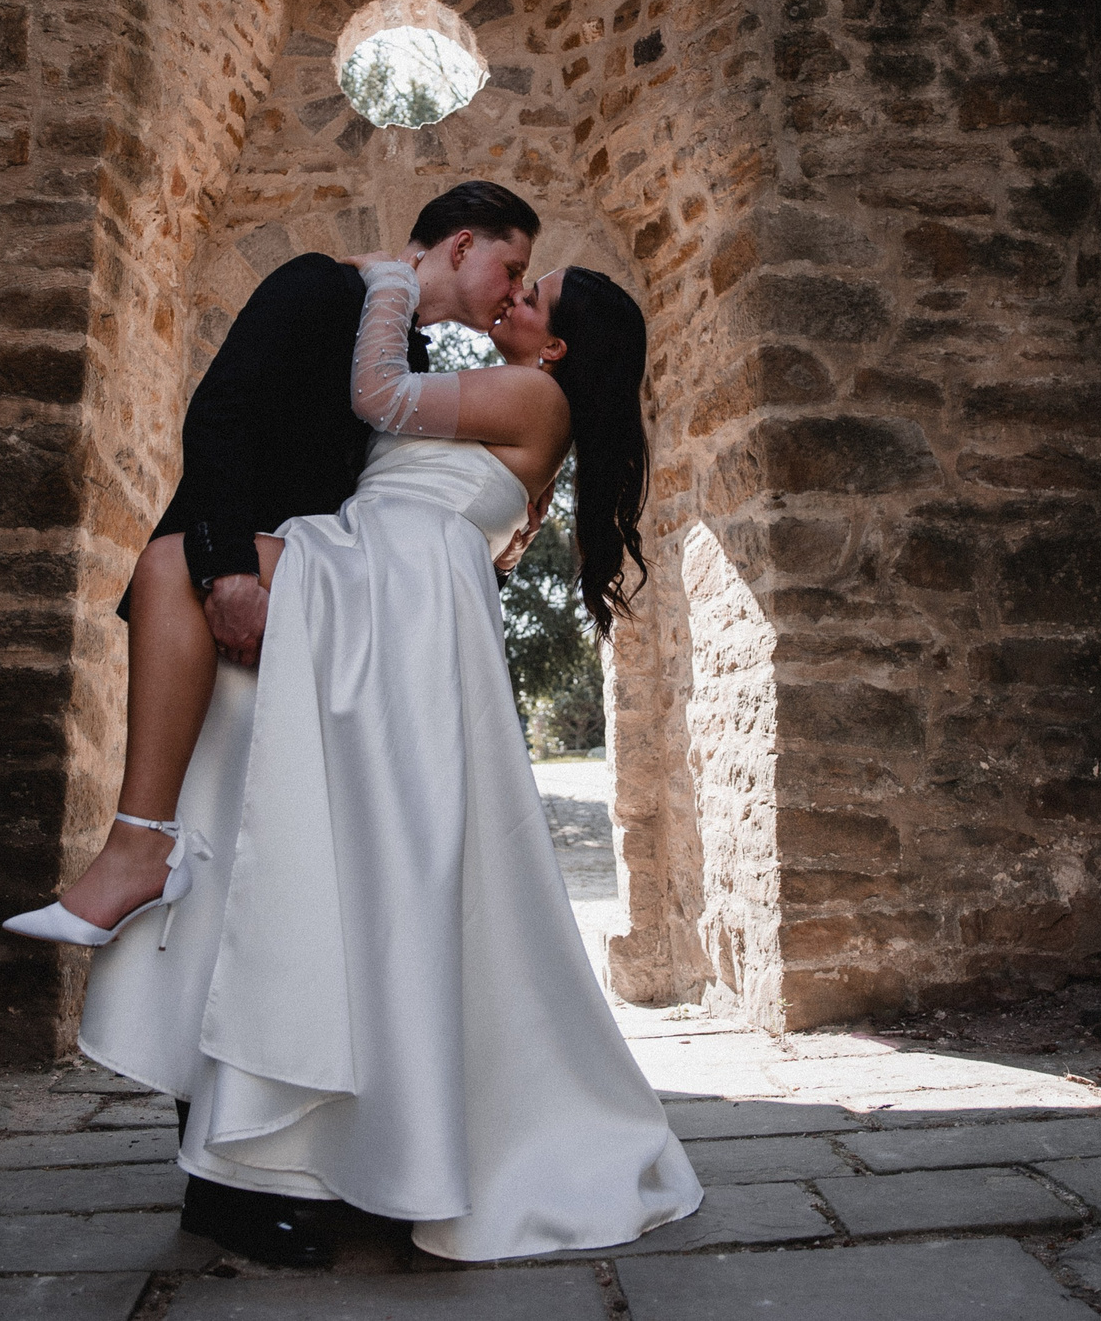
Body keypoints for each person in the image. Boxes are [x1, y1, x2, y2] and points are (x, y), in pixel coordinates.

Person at [67, 249, 700, 1262]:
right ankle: (281, 1148)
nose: (514, 297)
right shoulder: (517, 404)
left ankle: (139, 844)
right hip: (386, 590)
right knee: (321, 864)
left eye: (532, 295)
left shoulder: (531, 396)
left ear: (557, 347)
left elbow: (376, 394)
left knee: (174, 564)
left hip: (383, 591)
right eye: (516, 277)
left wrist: (394, 279)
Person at [2, 181, 541, 1265]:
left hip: (308, 634)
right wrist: (222, 574)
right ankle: (222, 1184)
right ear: (462, 243)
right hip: (226, 614)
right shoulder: (318, 289)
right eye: (510, 269)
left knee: (275, 896)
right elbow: (220, 419)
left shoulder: (406, 356)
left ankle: (270, 1165)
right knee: (220, 888)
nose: (510, 293)